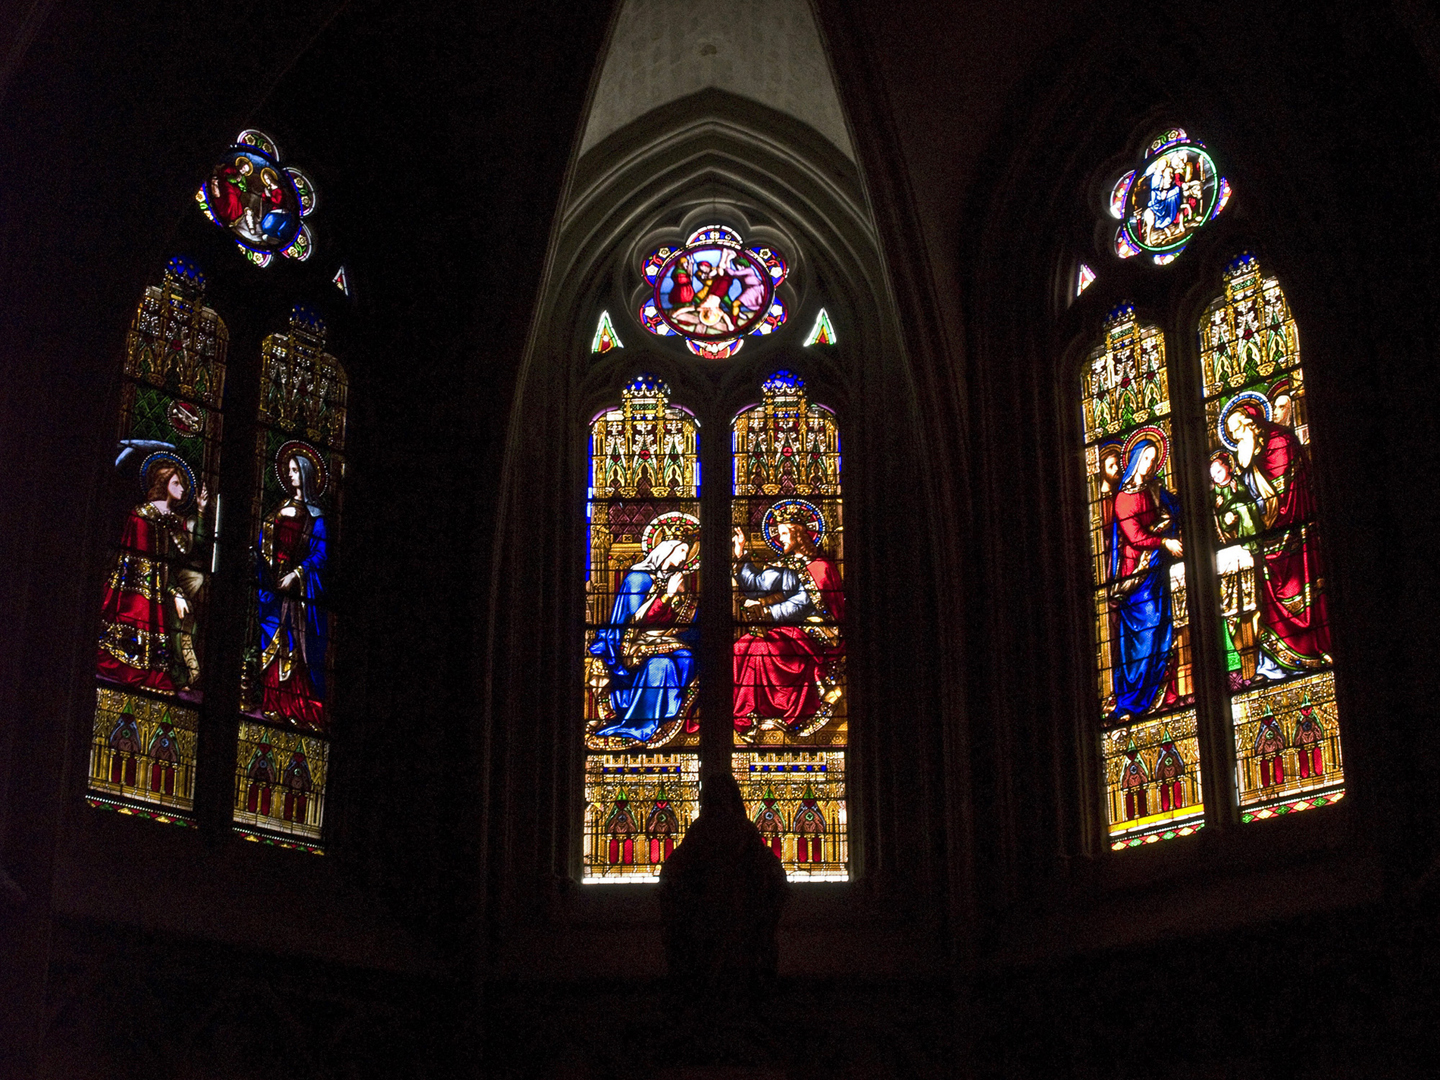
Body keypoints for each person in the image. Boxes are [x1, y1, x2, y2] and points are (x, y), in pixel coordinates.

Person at [1224, 399, 1332, 677]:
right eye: (1233, 435)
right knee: (1266, 600)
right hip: (1266, 541)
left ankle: (1316, 650)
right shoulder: (1245, 456)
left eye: (1237, 430)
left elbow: (1283, 491)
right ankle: (1273, 663)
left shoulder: (1281, 441)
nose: (1236, 438)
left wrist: (1256, 511)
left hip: (1293, 532)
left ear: (1251, 423)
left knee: (1305, 587)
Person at [97, 457, 208, 694]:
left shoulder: (176, 522)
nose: (182, 489)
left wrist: (200, 510)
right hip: (140, 591)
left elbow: (193, 548)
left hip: (169, 585)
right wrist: (172, 592)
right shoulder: (142, 514)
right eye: (177, 483)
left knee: (187, 617)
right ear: (163, 483)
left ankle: (181, 673)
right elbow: (140, 562)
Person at [731, 508, 844, 737]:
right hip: (787, 629)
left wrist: (766, 610)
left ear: (798, 534)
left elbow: (801, 604)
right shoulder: (787, 565)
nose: (779, 538)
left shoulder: (820, 566)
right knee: (741, 646)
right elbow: (757, 584)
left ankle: (780, 710)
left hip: (817, 632)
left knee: (760, 650)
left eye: (783, 533)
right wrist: (741, 554)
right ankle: (748, 713)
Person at [587, 536, 699, 743]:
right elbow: (637, 619)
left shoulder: (673, 579)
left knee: (687, 657)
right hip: (630, 642)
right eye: (682, 551)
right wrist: (667, 595)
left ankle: (672, 717)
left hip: (663, 640)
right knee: (660, 664)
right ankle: (640, 724)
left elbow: (683, 620)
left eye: (687, 553)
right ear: (668, 550)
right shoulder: (639, 578)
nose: (685, 557)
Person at [1106, 438, 1183, 722]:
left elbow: (1175, 507)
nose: (1150, 464)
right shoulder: (1124, 498)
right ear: (1136, 460)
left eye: (1154, 459)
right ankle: (1134, 700)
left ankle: (1161, 695)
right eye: (1146, 458)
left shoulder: (1154, 489)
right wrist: (1164, 541)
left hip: (1158, 570)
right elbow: (1135, 536)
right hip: (1137, 577)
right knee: (1147, 629)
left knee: (1164, 625)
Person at [255, 452, 330, 730]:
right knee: (274, 643)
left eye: (296, 471)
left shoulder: (317, 517)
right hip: (274, 584)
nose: (290, 475)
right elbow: (266, 541)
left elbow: (321, 555)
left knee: (297, 645)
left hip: (299, 593)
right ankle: (274, 703)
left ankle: (300, 707)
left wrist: (296, 575)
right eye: (288, 470)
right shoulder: (279, 508)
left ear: (307, 475)